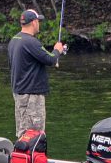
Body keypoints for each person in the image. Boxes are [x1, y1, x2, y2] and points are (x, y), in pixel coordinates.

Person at [7, 9, 66, 137]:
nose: (39, 23)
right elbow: (50, 59)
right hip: (31, 95)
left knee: (23, 131)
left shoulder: (15, 39)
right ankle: (31, 156)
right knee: (34, 134)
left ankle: (21, 156)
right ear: (33, 22)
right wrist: (57, 50)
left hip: (19, 93)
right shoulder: (31, 42)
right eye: (38, 21)